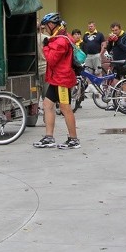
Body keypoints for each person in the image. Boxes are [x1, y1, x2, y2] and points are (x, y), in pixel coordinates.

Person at [33, 12, 80, 150]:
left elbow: (52, 59)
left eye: (46, 26)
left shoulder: (60, 40)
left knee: (66, 109)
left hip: (62, 80)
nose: (45, 29)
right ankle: (49, 138)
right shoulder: (61, 36)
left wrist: (45, 46)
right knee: (47, 105)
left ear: (52, 24)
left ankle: (73, 139)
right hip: (56, 79)